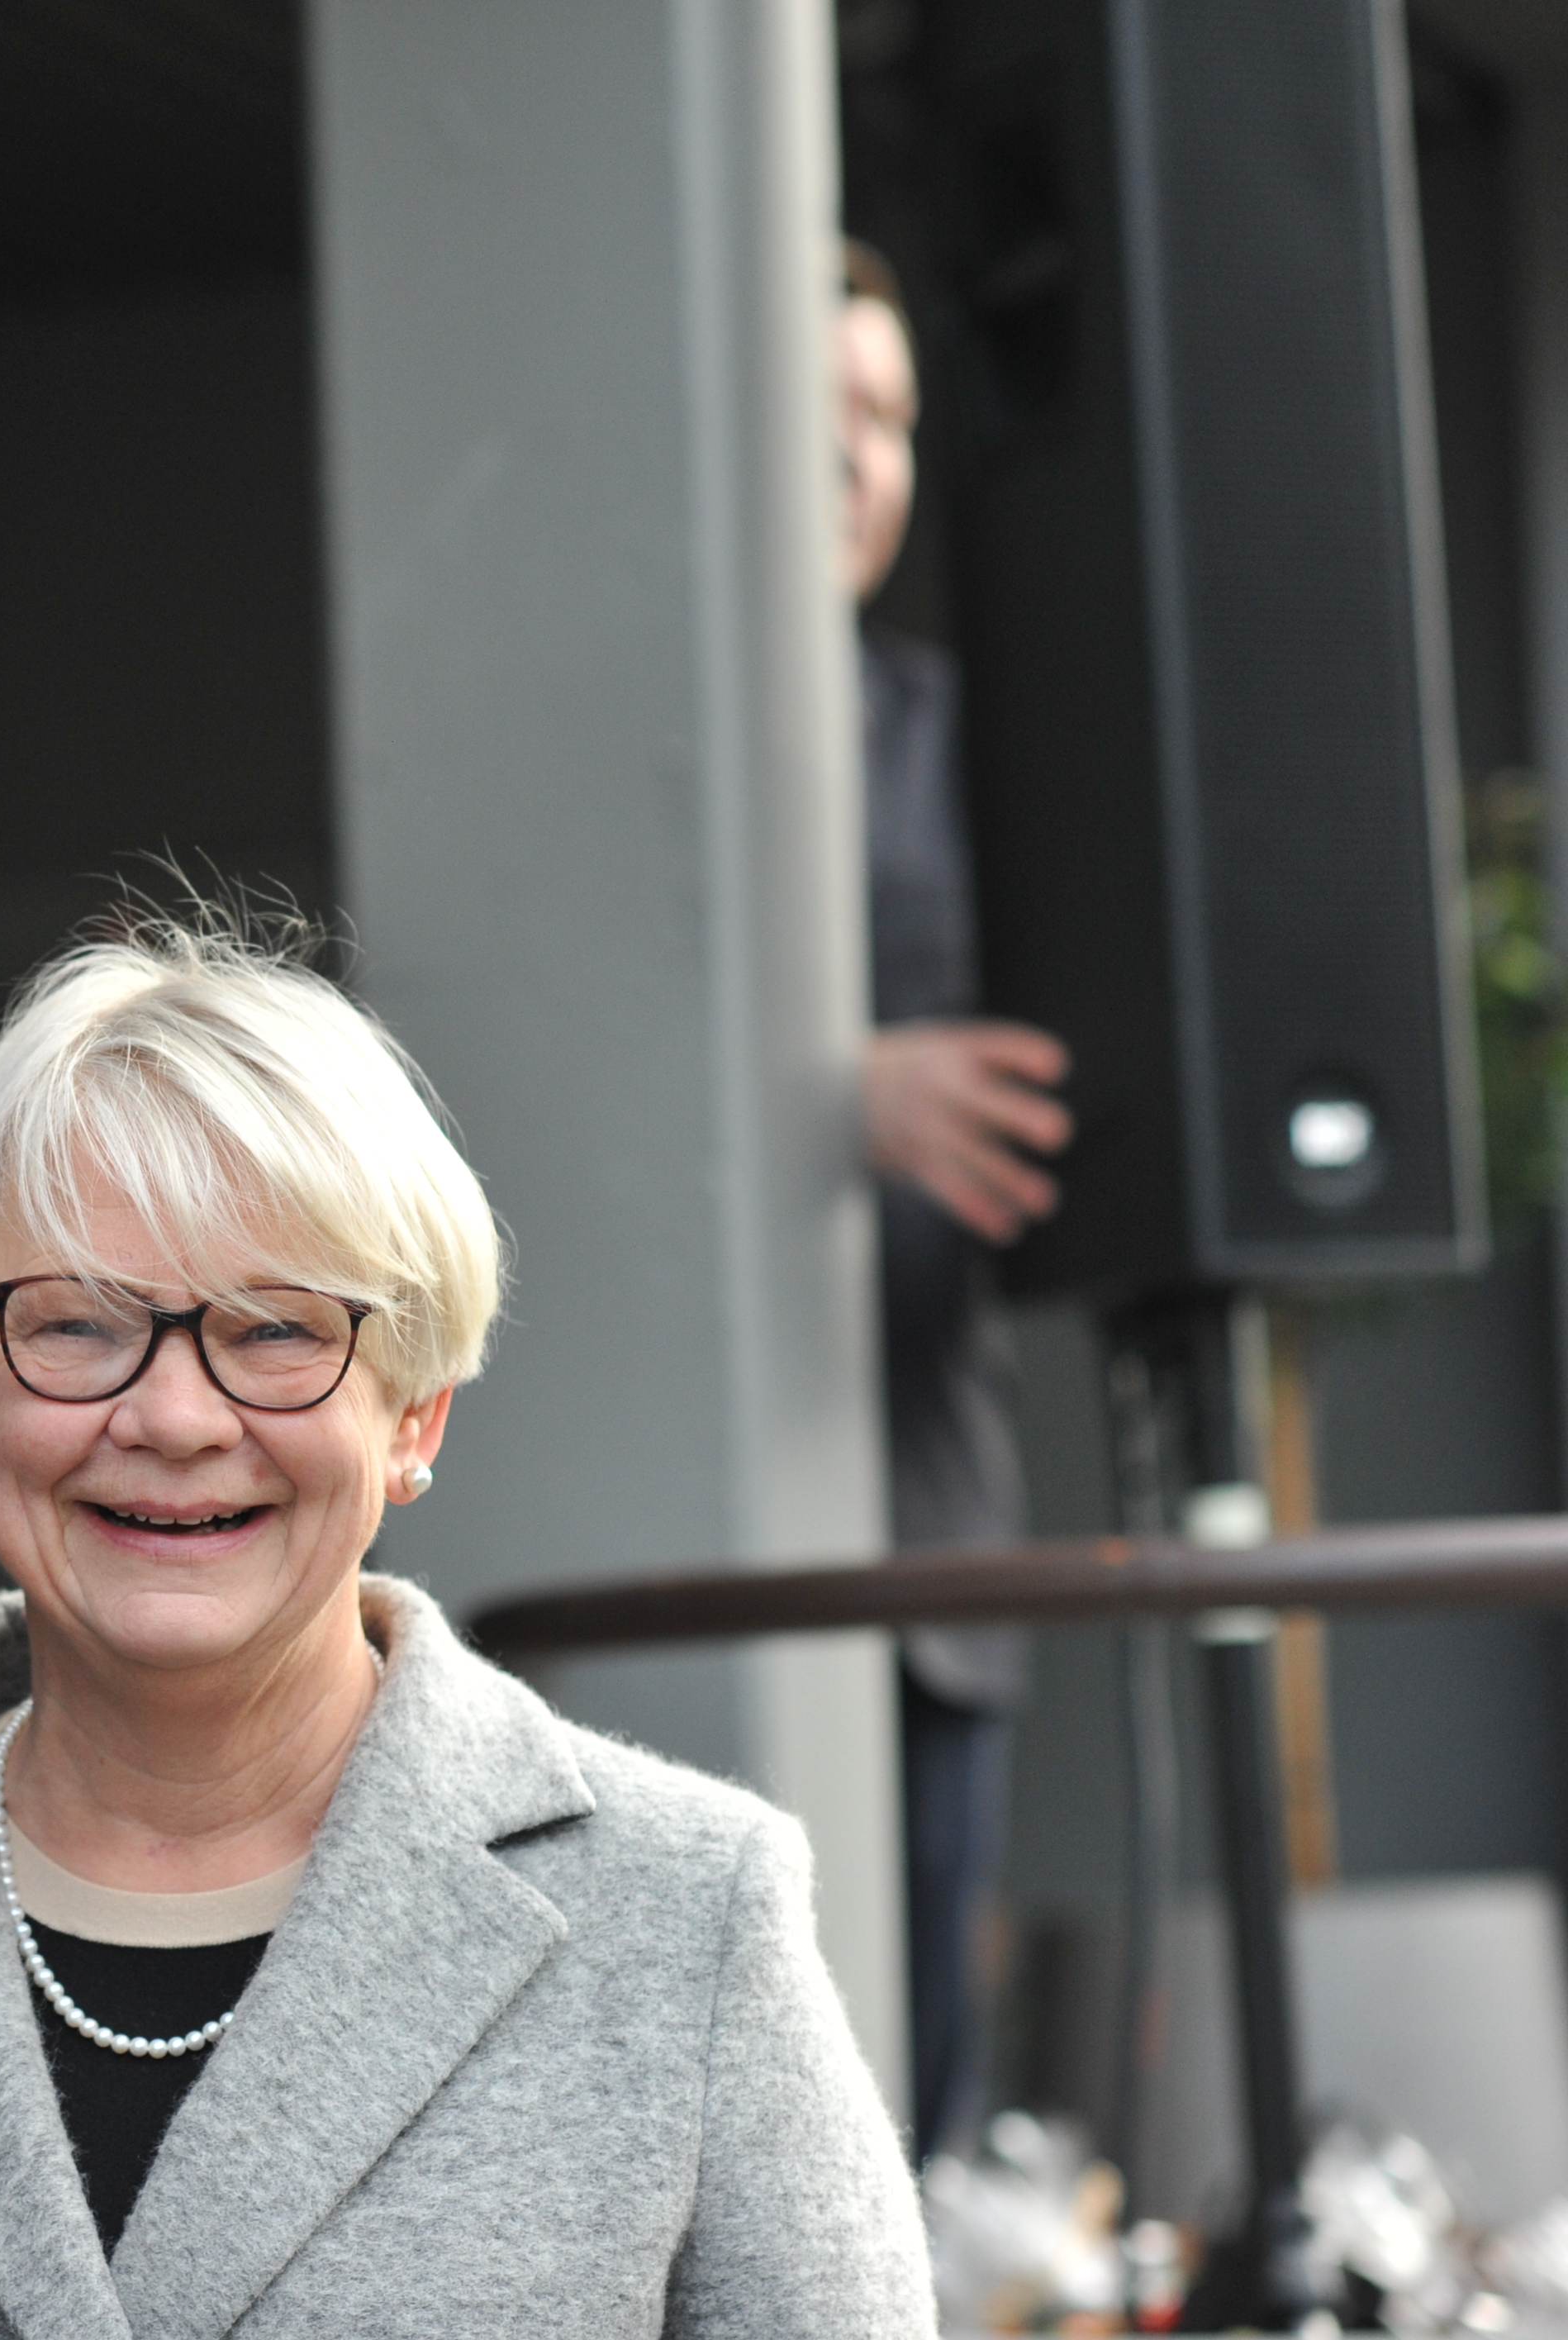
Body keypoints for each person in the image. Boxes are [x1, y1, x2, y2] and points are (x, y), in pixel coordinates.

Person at [0, 917, 934, 2336]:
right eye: (74, 1325)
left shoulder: (688, 1914)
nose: (173, 1418)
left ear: (416, 1414)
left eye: (280, 1331)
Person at [839, 237, 1072, 2154]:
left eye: (888, 417)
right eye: (816, 412)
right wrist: (822, 1097)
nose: (858, 457)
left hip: (928, 1521)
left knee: (915, 2113)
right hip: (671, 1514)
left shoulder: (966, 738)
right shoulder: (594, 756)